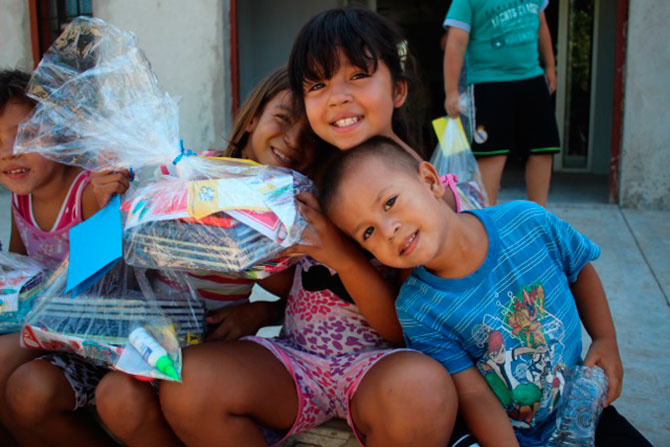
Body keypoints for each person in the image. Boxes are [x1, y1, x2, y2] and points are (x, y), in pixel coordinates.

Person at [158, 8, 462, 447]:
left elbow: (410, 329)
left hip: (383, 367)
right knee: (190, 383)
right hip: (298, 361)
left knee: (423, 389)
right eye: (317, 85)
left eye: (357, 75)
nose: (337, 97)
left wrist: (338, 255)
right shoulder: (308, 180)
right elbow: (295, 285)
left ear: (397, 90)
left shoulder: (421, 191)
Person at [317, 136, 652, 447]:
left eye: (390, 202)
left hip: (582, 407)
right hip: (506, 433)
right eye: (368, 232)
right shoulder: (417, 308)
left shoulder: (527, 221)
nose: (388, 231)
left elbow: (579, 268)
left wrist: (605, 339)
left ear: (430, 181)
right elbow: (474, 394)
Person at [0, 69, 129, 445]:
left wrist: (107, 202)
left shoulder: (87, 193)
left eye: (27, 135)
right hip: (48, 330)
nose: (10, 151)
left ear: (64, 133)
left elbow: (100, 274)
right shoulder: (21, 198)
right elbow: (18, 273)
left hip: (98, 340)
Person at [443, 0, 560, 207]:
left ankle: (539, 217)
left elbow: (541, 25)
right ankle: (487, 221)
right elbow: (456, 42)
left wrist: (550, 65)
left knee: (542, 149)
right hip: (489, 83)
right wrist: (451, 91)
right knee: (492, 153)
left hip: (532, 78)